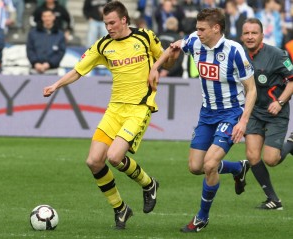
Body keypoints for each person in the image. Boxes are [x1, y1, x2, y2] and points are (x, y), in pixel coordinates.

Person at [43, 1, 164, 230]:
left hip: (139, 107)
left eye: (112, 22)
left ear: (124, 20)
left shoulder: (145, 37)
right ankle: (120, 208)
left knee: (115, 157)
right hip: (114, 109)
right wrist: (56, 85)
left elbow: (165, 56)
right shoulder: (102, 45)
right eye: (105, 23)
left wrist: (157, 68)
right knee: (93, 161)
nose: (108, 27)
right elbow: (79, 70)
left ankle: (149, 184)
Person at [148, 8, 256, 233]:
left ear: (216, 28)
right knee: (196, 167)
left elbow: (251, 89)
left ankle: (201, 218)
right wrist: (155, 68)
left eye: (201, 29)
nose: (196, 33)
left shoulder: (234, 51)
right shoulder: (194, 42)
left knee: (209, 165)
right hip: (207, 114)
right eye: (196, 28)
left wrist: (243, 121)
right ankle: (238, 168)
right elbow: (175, 45)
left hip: (231, 113)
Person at [241, 18, 293, 210]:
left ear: (262, 35)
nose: (250, 37)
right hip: (254, 112)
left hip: (275, 111)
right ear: (242, 35)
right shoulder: (239, 54)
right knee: (253, 156)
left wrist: (280, 102)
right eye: (246, 33)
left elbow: (292, 80)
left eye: (254, 33)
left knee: (271, 160)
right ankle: (273, 200)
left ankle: (291, 143)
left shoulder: (277, 54)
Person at [27, 8, 66, 74]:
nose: (47, 19)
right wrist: (35, 63)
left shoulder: (60, 34)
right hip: (35, 70)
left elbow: (61, 52)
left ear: (53, 17)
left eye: (49, 16)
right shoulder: (33, 33)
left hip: (53, 70)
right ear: (42, 18)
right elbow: (30, 49)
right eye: (44, 16)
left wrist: (49, 64)